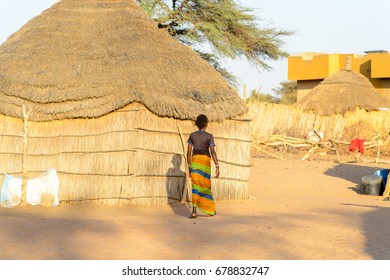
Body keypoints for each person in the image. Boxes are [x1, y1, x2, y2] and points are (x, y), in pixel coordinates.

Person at [186, 114, 219, 218]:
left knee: (195, 186)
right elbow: (212, 152)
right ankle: (209, 210)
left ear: (197, 124)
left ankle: (194, 211)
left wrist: (188, 166)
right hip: (205, 162)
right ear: (206, 124)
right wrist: (217, 166)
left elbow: (189, 152)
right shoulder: (209, 136)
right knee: (205, 185)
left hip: (195, 161)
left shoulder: (192, 135)